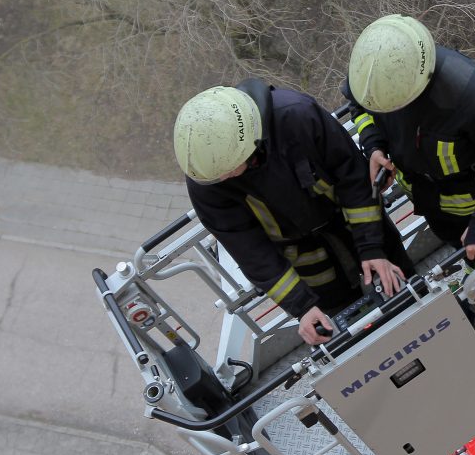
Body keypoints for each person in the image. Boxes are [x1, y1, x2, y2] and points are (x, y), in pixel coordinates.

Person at [342, 14, 475, 348]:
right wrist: (375, 145)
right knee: (469, 256)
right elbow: (359, 109)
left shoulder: (473, 95)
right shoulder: (372, 82)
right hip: (433, 204)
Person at [173, 78, 413, 345]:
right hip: (308, 264)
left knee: (406, 291)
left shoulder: (296, 117)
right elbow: (253, 253)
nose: (224, 178)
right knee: (351, 335)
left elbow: (353, 178)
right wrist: (303, 308)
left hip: (354, 225)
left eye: (228, 171)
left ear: (249, 146)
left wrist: (372, 248)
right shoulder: (207, 177)